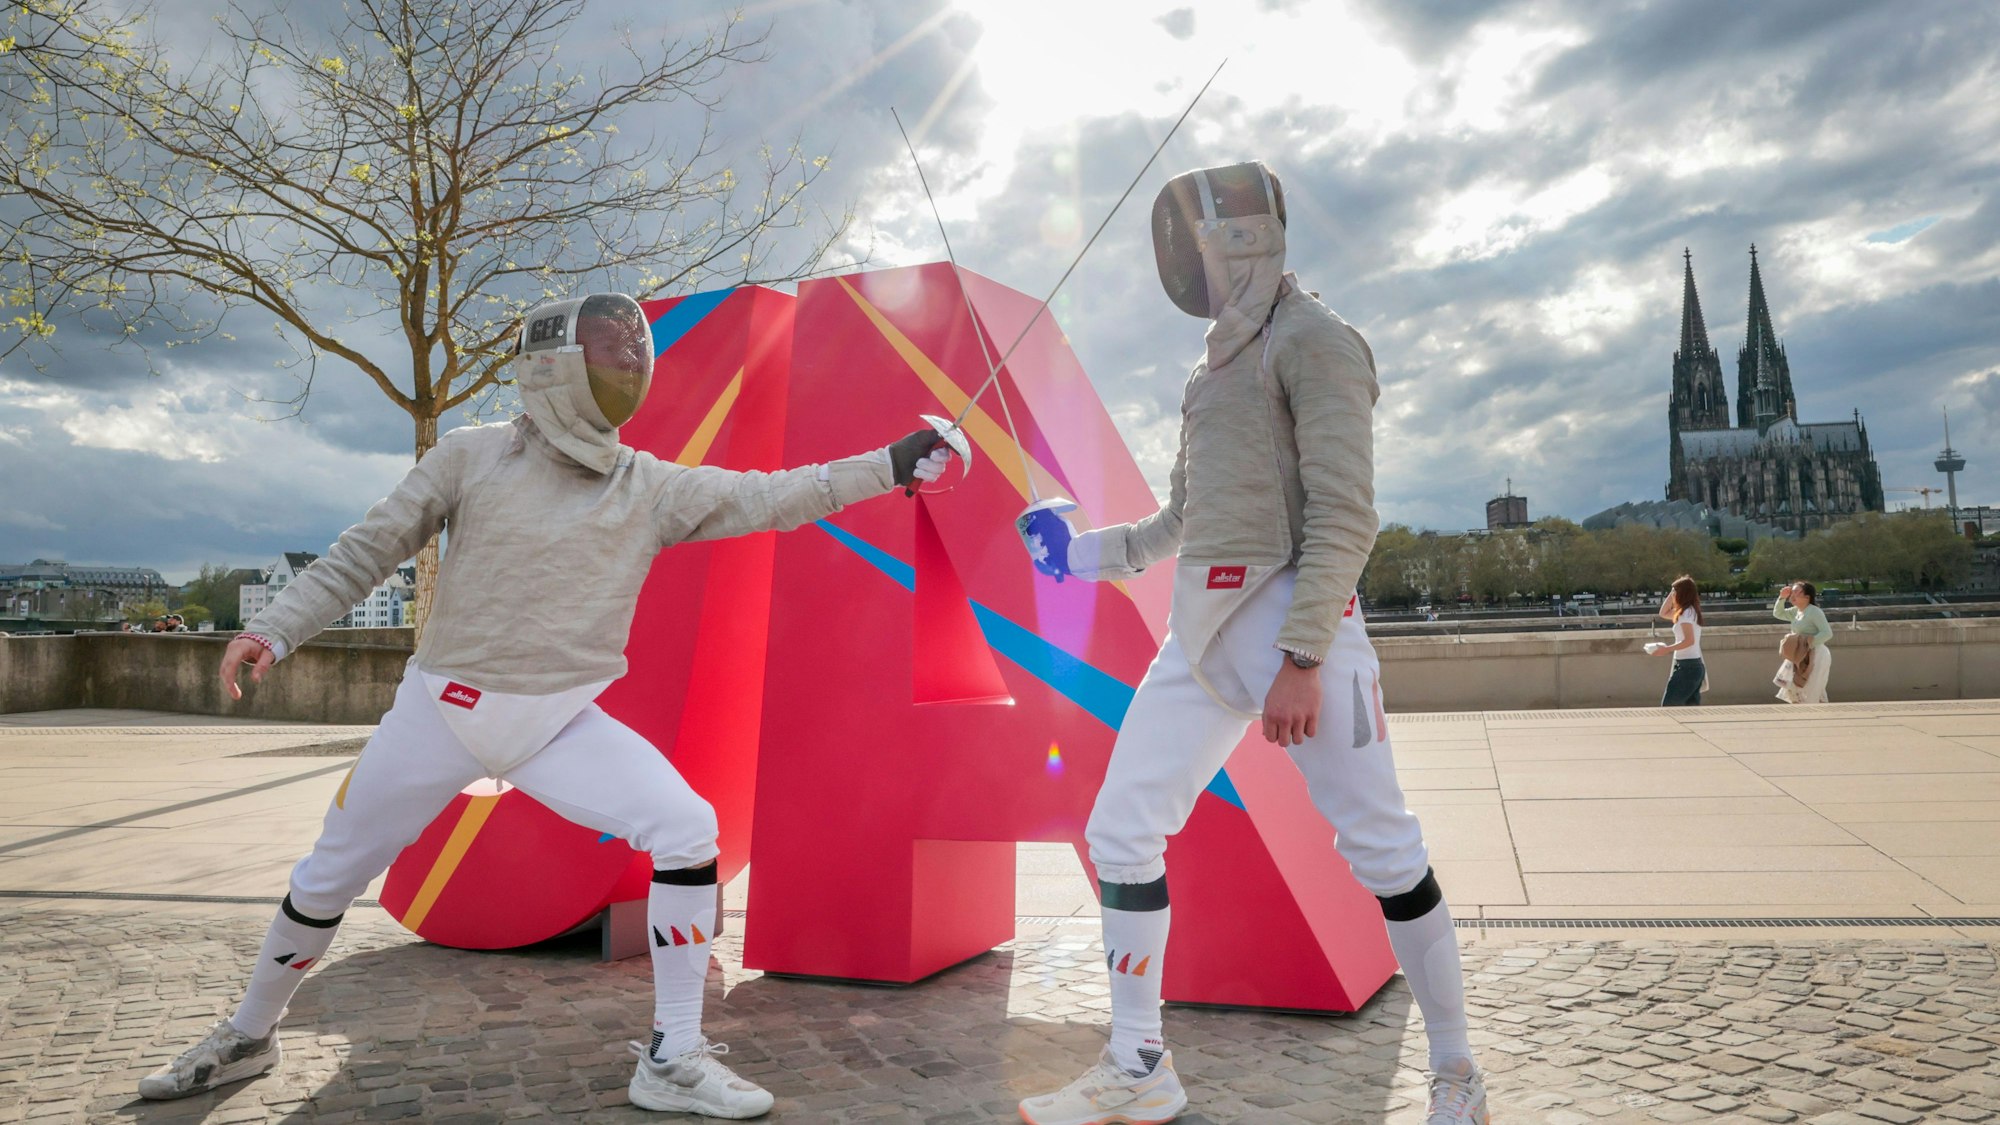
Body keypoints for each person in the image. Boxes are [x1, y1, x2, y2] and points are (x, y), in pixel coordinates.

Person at [135, 292, 953, 1117]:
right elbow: (368, 550)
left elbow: (774, 495)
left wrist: (887, 464)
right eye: (612, 346)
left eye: (638, 347)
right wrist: (273, 629)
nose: (633, 359)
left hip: (559, 721)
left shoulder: (649, 487)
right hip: (439, 711)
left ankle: (673, 1056)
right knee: (328, 875)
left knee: (685, 827)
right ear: (555, 364)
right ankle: (248, 1034)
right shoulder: (469, 456)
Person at [1015, 162, 1486, 1125]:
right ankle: (1139, 1062)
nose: (1190, 254)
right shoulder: (1212, 365)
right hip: (1200, 637)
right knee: (1121, 829)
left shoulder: (1317, 341)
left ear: (1245, 236)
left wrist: (1305, 658)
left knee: (1385, 851)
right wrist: (1074, 555)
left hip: (1295, 630)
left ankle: (1456, 1073)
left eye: (1202, 234)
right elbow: (1174, 523)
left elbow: (1348, 517)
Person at [1645, 575, 1704, 706]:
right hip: (1690, 666)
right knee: (1689, 709)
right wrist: (1672, 592)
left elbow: (1689, 641)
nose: (1672, 594)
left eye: (1675, 592)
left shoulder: (1686, 614)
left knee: (1670, 706)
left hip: (1687, 667)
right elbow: (1663, 613)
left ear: (1681, 593)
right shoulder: (1688, 611)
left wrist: (1666, 649)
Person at [1774, 580, 1833, 703]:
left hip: (1815, 655)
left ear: (1807, 596)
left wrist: (1807, 644)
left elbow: (1827, 633)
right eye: (1792, 592)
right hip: (1799, 654)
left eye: (1796, 592)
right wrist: (1781, 598)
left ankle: (1815, 716)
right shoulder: (1796, 611)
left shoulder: (1814, 611)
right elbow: (1778, 613)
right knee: (1796, 686)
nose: (1792, 595)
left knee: (1811, 687)